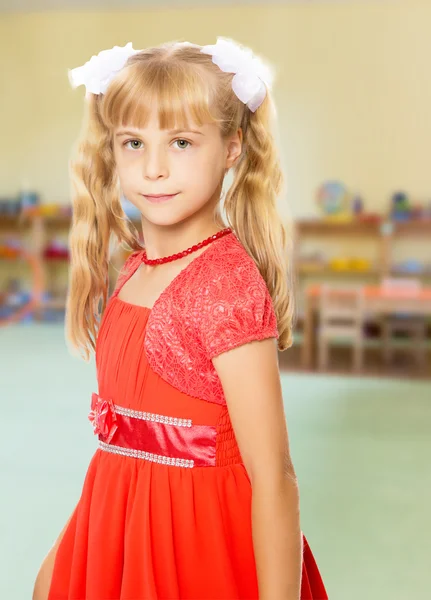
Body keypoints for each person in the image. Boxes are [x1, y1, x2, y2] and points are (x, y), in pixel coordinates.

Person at [33, 37, 328, 600]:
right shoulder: (135, 269)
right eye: (134, 142)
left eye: (183, 142)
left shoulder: (223, 285)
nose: (155, 168)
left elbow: (273, 477)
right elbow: (122, 443)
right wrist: (67, 551)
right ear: (112, 150)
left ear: (232, 149)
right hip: (115, 530)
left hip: (198, 547)